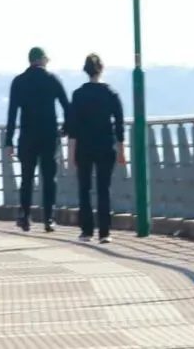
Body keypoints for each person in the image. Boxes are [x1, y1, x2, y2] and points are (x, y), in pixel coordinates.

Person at [5, 46, 70, 233]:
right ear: (42, 60)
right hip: (49, 136)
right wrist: (65, 129)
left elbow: (12, 114)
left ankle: (25, 217)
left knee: (27, 178)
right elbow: (67, 107)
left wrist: (8, 141)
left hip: (27, 137)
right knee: (49, 178)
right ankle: (49, 219)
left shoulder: (18, 82)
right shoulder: (52, 80)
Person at [64, 53, 126, 244]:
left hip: (84, 146)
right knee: (103, 189)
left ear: (86, 70)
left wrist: (70, 153)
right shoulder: (111, 93)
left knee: (84, 188)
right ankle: (105, 232)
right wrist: (122, 150)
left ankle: (86, 231)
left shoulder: (78, 94)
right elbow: (119, 124)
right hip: (106, 145)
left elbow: (72, 127)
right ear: (102, 68)